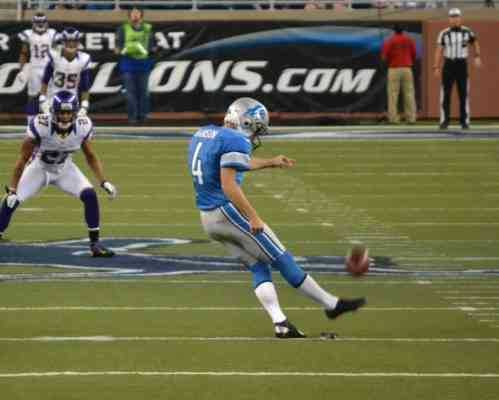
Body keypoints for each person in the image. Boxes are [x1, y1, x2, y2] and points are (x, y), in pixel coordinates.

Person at [187, 97, 366, 338]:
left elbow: (231, 164)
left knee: (258, 265)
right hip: (228, 211)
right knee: (282, 258)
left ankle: (280, 323)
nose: (255, 135)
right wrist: (254, 217)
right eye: (256, 128)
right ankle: (331, 305)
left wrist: (270, 162)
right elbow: (228, 184)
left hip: (208, 218)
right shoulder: (236, 140)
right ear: (246, 122)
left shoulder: (205, 133)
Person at [0, 90, 117, 257]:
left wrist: (103, 181)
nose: (65, 116)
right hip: (39, 168)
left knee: (90, 195)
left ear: (75, 113)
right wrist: (12, 188)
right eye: (61, 112)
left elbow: (90, 156)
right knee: (12, 201)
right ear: (53, 112)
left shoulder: (83, 126)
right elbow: (22, 159)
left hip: (64, 168)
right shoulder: (40, 125)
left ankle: (95, 244)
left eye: (69, 112)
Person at [434, 8, 482, 129]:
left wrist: (477, 56)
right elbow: (439, 50)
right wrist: (436, 66)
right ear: (449, 19)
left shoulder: (467, 31)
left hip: (461, 64)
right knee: (445, 94)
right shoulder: (444, 33)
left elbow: (475, 42)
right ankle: (444, 121)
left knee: (463, 94)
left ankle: (464, 121)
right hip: (448, 64)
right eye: (452, 17)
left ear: (460, 18)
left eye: (456, 17)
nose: (454, 19)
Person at [39, 27, 92, 119]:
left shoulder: (84, 59)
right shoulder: (54, 56)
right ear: (63, 42)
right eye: (68, 41)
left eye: (74, 41)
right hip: (53, 99)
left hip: (72, 99)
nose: (71, 44)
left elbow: (85, 86)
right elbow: (45, 79)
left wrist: (84, 106)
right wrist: (43, 98)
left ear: (78, 42)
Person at [115, 7, 155, 125]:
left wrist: (144, 50)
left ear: (141, 15)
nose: (135, 15)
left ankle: (144, 116)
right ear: (129, 16)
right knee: (130, 93)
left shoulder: (148, 29)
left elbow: (153, 47)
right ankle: (132, 118)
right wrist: (126, 50)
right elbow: (117, 48)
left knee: (144, 93)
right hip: (128, 65)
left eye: (137, 13)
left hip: (143, 65)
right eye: (133, 13)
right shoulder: (123, 29)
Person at [16, 12, 58, 124]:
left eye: (42, 22)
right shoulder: (28, 34)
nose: (40, 25)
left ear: (46, 23)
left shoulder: (52, 34)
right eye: (38, 22)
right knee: (33, 96)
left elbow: (57, 54)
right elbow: (24, 53)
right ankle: (31, 122)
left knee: (50, 97)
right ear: (33, 23)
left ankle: (50, 121)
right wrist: (21, 69)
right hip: (34, 68)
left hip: (49, 68)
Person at [381, 24, 417, 124]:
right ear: (403, 31)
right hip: (407, 68)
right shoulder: (409, 40)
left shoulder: (390, 41)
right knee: (409, 94)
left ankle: (393, 119)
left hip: (394, 68)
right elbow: (414, 54)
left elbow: (384, 57)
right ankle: (411, 118)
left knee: (393, 95)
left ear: (394, 31)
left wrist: (388, 61)